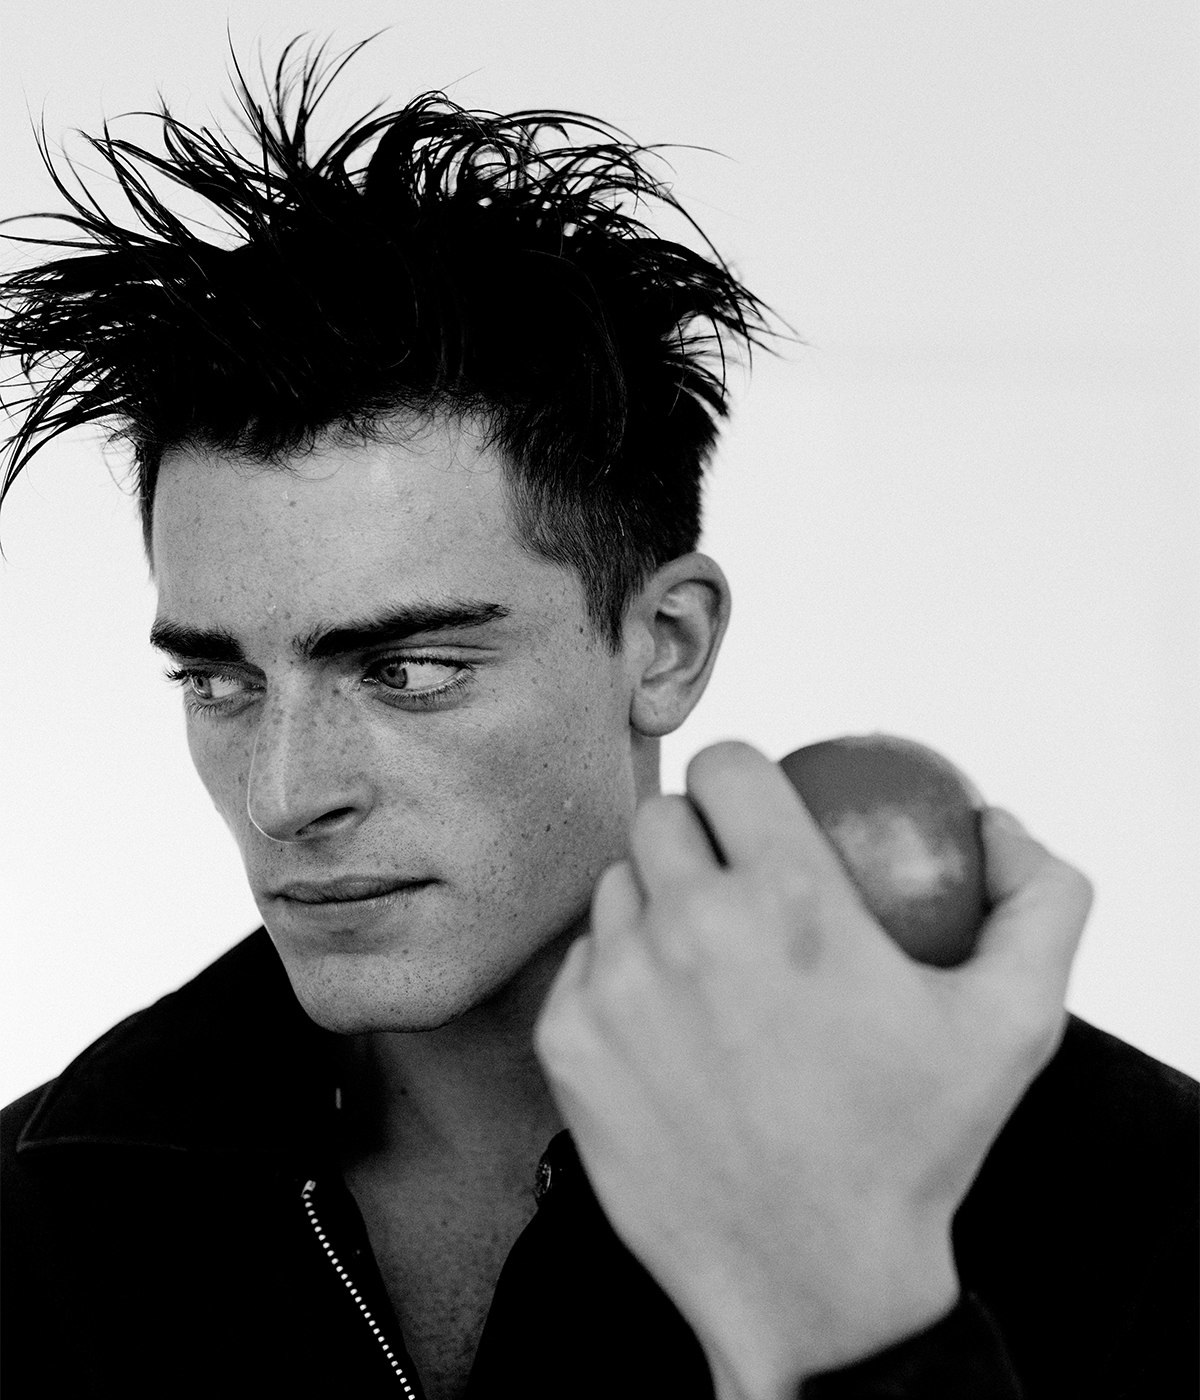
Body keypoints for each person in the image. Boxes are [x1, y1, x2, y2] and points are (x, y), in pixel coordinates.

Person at [1, 38, 1195, 1400]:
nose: (283, 794)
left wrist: (854, 1332)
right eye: (219, 681)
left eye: (410, 670)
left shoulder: (1135, 1205)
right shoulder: (34, 1227)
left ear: (664, 644)